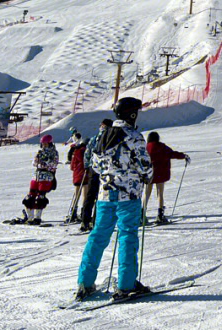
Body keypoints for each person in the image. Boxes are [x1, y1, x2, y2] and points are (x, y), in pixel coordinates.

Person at [76, 97, 153, 301]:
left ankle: (84, 282)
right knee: (127, 235)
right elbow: (145, 165)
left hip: (105, 194)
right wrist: (145, 175)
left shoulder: (102, 135)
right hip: (128, 194)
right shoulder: (134, 136)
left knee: (98, 235)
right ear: (132, 114)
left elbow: (95, 165)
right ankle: (126, 284)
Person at [144, 131, 189, 225]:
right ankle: (160, 215)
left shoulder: (146, 148)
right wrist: (184, 156)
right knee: (160, 194)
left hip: (149, 174)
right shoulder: (162, 147)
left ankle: (142, 215)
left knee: (147, 194)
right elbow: (172, 154)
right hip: (161, 174)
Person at [14, 135, 58, 224]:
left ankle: (37, 217)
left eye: (45, 144)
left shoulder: (54, 152)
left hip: (46, 177)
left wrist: (43, 163)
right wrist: (41, 163)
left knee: (40, 197)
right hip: (36, 175)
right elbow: (34, 163)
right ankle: (30, 217)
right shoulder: (40, 152)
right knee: (30, 197)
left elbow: (53, 164)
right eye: (43, 144)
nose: (44, 146)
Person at [78, 118, 113, 232]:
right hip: (106, 171)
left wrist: (87, 166)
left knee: (90, 195)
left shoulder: (95, 138)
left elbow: (88, 153)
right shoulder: (112, 137)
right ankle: (96, 221)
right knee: (101, 196)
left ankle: (85, 220)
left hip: (94, 169)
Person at [65, 133, 87, 223]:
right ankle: (84, 212)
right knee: (84, 195)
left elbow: (72, 166)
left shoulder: (75, 151)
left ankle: (73, 212)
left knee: (76, 194)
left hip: (77, 175)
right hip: (85, 175)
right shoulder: (87, 152)